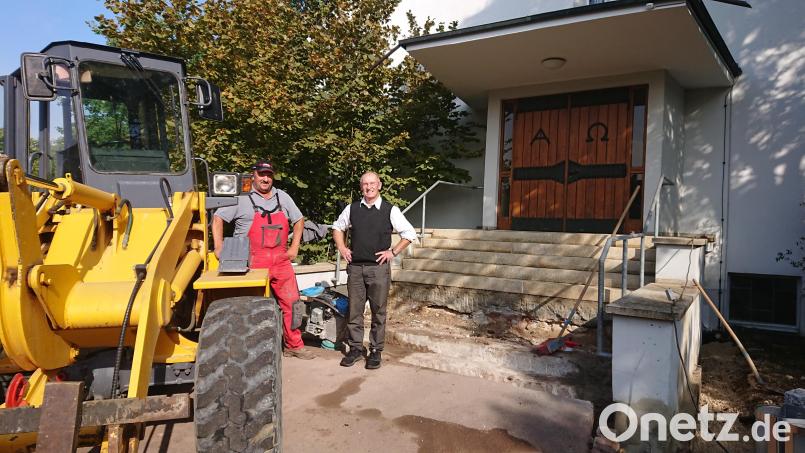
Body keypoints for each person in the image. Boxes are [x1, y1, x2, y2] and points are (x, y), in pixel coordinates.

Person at [212, 159, 314, 360]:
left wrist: (294, 247)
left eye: (269, 175)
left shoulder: (282, 197)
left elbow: (299, 220)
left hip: (280, 261)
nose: (265, 178)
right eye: (261, 174)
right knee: (250, 306)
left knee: (293, 304)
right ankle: (248, 350)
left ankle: (294, 345)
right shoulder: (241, 199)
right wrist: (219, 247)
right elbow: (217, 219)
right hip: (251, 262)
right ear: (254, 176)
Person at [332, 171, 416, 369]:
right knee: (355, 311)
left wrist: (393, 252)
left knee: (379, 311)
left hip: (378, 269)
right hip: (356, 269)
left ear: (379, 185)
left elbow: (409, 233)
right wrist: (342, 248)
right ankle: (355, 348)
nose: (368, 187)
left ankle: (376, 350)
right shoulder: (352, 209)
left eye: (372, 183)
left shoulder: (390, 210)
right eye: (365, 184)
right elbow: (337, 228)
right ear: (361, 187)